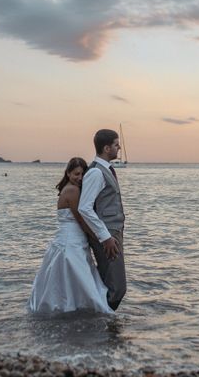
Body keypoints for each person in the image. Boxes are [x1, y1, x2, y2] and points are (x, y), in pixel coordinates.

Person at [28, 157, 113, 314]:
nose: (80, 178)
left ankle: (71, 307)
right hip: (71, 240)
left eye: (82, 174)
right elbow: (81, 219)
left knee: (69, 276)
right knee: (80, 275)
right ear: (68, 173)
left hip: (68, 237)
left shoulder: (67, 188)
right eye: (76, 174)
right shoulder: (73, 190)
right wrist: (97, 237)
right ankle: (88, 308)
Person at [78, 129, 127, 311]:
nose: (119, 148)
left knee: (108, 282)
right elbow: (84, 207)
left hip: (112, 233)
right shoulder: (96, 173)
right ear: (107, 148)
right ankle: (103, 323)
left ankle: (101, 326)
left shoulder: (106, 170)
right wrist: (105, 237)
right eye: (116, 144)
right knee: (118, 288)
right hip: (108, 236)